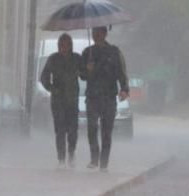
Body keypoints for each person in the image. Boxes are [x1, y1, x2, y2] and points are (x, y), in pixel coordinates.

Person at [81, 26, 129, 171]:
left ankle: (104, 163)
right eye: (94, 32)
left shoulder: (114, 52)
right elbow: (82, 75)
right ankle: (94, 158)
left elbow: (122, 72)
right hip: (93, 97)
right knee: (92, 127)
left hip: (108, 97)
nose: (96, 35)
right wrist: (87, 70)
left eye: (99, 32)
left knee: (106, 131)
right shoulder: (87, 53)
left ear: (105, 34)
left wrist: (124, 89)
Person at [39, 33, 83, 167]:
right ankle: (61, 158)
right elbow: (44, 77)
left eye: (66, 45)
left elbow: (85, 75)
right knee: (60, 130)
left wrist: (88, 69)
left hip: (72, 100)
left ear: (70, 46)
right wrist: (52, 89)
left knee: (73, 130)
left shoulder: (77, 59)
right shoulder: (53, 59)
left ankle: (71, 153)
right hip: (58, 101)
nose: (63, 48)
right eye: (61, 45)